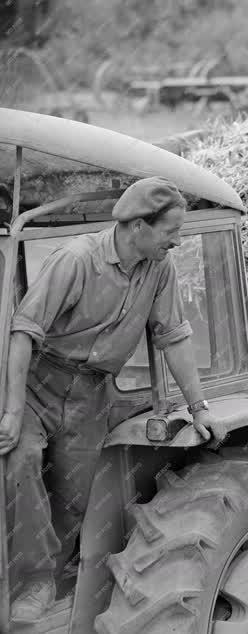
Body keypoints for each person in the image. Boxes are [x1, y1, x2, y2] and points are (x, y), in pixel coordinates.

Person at [0, 176, 228, 623]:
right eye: (170, 232)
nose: (177, 241)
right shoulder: (77, 260)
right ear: (138, 226)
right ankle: (35, 580)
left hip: (93, 391)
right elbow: (23, 331)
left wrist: (200, 408)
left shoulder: (159, 269)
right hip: (37, 384)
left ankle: (54, 577)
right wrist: (10, 412)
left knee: (74, 494)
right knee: (21, 458)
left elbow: (173, 337)